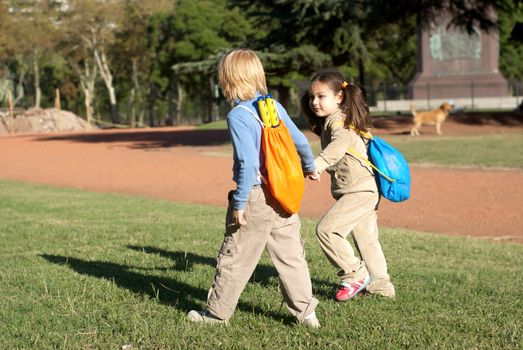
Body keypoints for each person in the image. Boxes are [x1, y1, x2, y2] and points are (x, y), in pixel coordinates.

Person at [187, 49, 320, 327]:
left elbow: (247, 164)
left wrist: (239, 203)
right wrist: (309, 167)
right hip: (283, 194)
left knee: (236, 256)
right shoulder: (274, 107)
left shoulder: (239, 115)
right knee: (291, 256)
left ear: (228, 80)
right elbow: (302, 143)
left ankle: (217, 314)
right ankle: (307, 314)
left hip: (256, 196)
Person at [301, 70, 395, 301]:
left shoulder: (339, 120)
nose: (315, 102)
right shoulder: (340, 118)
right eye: (312, 97)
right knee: (366, 240)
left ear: (339, 97)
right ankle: (381, 286)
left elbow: (339, 144)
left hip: (360, 191)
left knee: (327, 230)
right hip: (364, 189)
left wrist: (318, 164)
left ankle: (354, 274)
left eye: (321, 96)